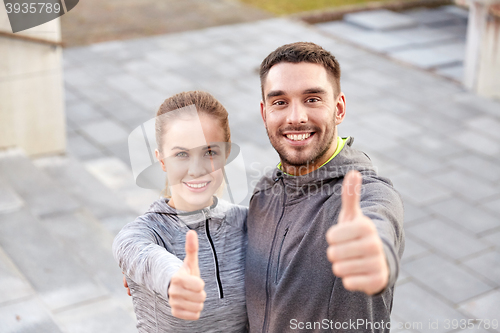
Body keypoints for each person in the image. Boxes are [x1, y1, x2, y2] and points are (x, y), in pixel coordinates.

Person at [244, 42, 404, 332]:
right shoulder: (264, 191)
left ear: (339, 109)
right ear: (265, 112)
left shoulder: (369, 193)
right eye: (280, 102)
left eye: (313, 99)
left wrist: (375, 260)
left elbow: (378, 224)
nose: (296, 117)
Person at [113, 91, 248, 333]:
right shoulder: (140, 234)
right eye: (181, 154)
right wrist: (175, 279)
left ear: (226, 155)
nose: (196, 170)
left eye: (210, 152)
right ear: (162, 161)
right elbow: (141, 255)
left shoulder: (248, 222)